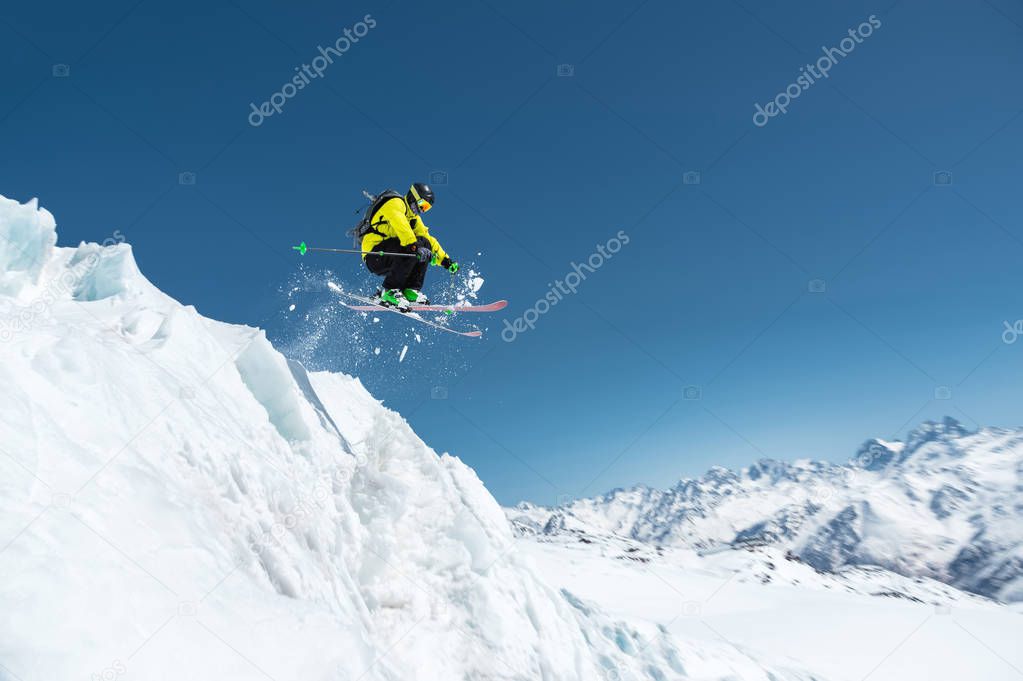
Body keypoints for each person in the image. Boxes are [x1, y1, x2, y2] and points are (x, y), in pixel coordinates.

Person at [360, 182, 459, 309]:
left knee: (425, 243)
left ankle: (410, 290)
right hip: (374, 255)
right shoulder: (395, 203)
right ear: (413, 197)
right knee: (413, 247)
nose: (422, 210)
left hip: (392, 255)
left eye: (426, 208)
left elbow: (428, 239)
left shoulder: (414, 219)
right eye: (422, 205)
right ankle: (389, 290)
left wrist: (446, 261)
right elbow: (402, 227)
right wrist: (415, 247)